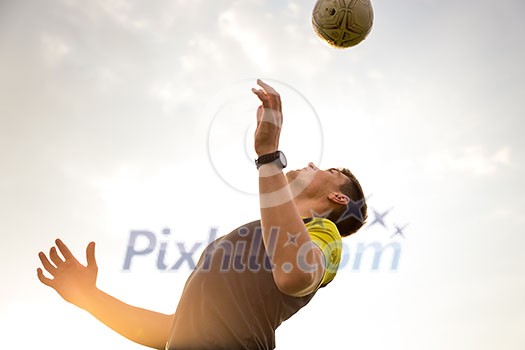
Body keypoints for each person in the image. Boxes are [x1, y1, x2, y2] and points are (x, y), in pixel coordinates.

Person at [36, 79, 368, 350]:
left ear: (337, 196)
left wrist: (269, 158)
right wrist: (89, 297)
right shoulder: (252, 233)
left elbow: (294, 274)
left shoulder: (326, 235)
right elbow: (169, 330)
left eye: (327, 169)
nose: (311, 164)